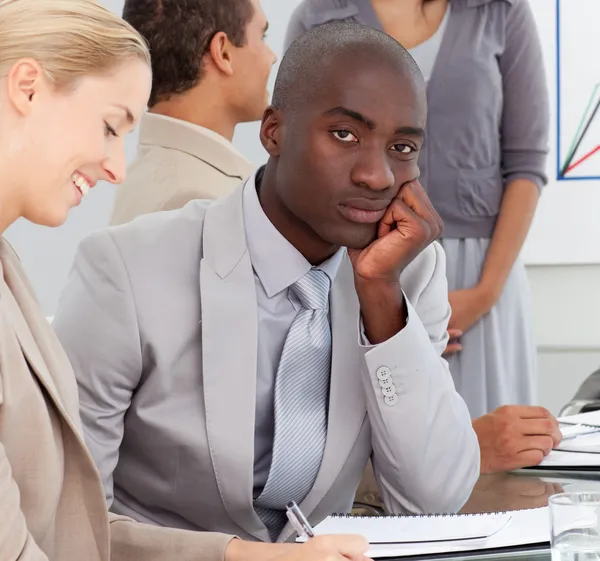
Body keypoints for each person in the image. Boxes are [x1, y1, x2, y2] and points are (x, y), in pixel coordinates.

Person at [53, 22, 480, 545]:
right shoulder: (127, 269)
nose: (378, 176)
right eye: (345, 134)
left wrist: (382, 302)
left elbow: (434, 498)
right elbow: (67, 521)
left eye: (402, 147)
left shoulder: (409, 272)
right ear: (273, 131)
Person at [0, 1, 371, 560]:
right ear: (27, 88)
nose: (117, 168)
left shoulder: (10, 273)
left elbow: (68, 523)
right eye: (108, 127)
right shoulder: (177, 222)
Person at [285, 0, 549, 418]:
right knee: (371, 443)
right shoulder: (319, 16)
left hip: (482, 276)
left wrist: (483, 295)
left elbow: (526, 164)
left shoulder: (501, 11)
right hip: (356, 266)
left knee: (495, 454)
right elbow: (300, 153)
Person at [110, 0, 276, 226]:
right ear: (223, 52)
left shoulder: (162, 178)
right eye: (262, 37)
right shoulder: (194, 202)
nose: (272, 56)